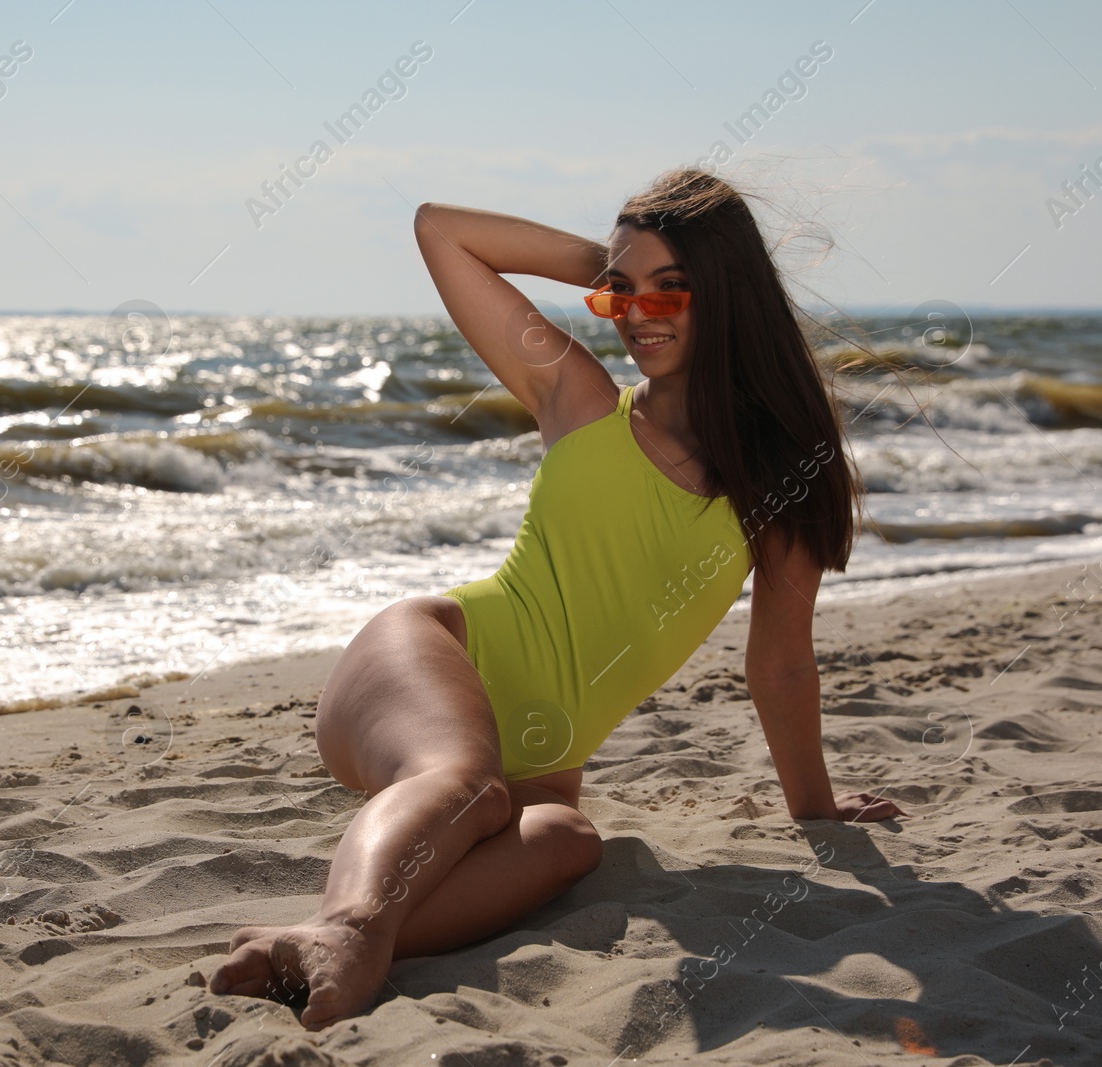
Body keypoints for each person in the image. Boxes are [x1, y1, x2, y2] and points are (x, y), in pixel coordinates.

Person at [208, 168, 908, 1030]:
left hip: (539, 767)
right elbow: (442, 229)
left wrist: (816, 809)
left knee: (570, 840)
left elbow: (782, 664)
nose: (640, 315)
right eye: (623, 295)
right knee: (468, 782)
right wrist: (609, 268)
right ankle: (353, 925)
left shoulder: (776, 488)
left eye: (672, 289)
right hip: (427, 658)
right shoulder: (576, 395)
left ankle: (323, 937)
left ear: (727, 290)